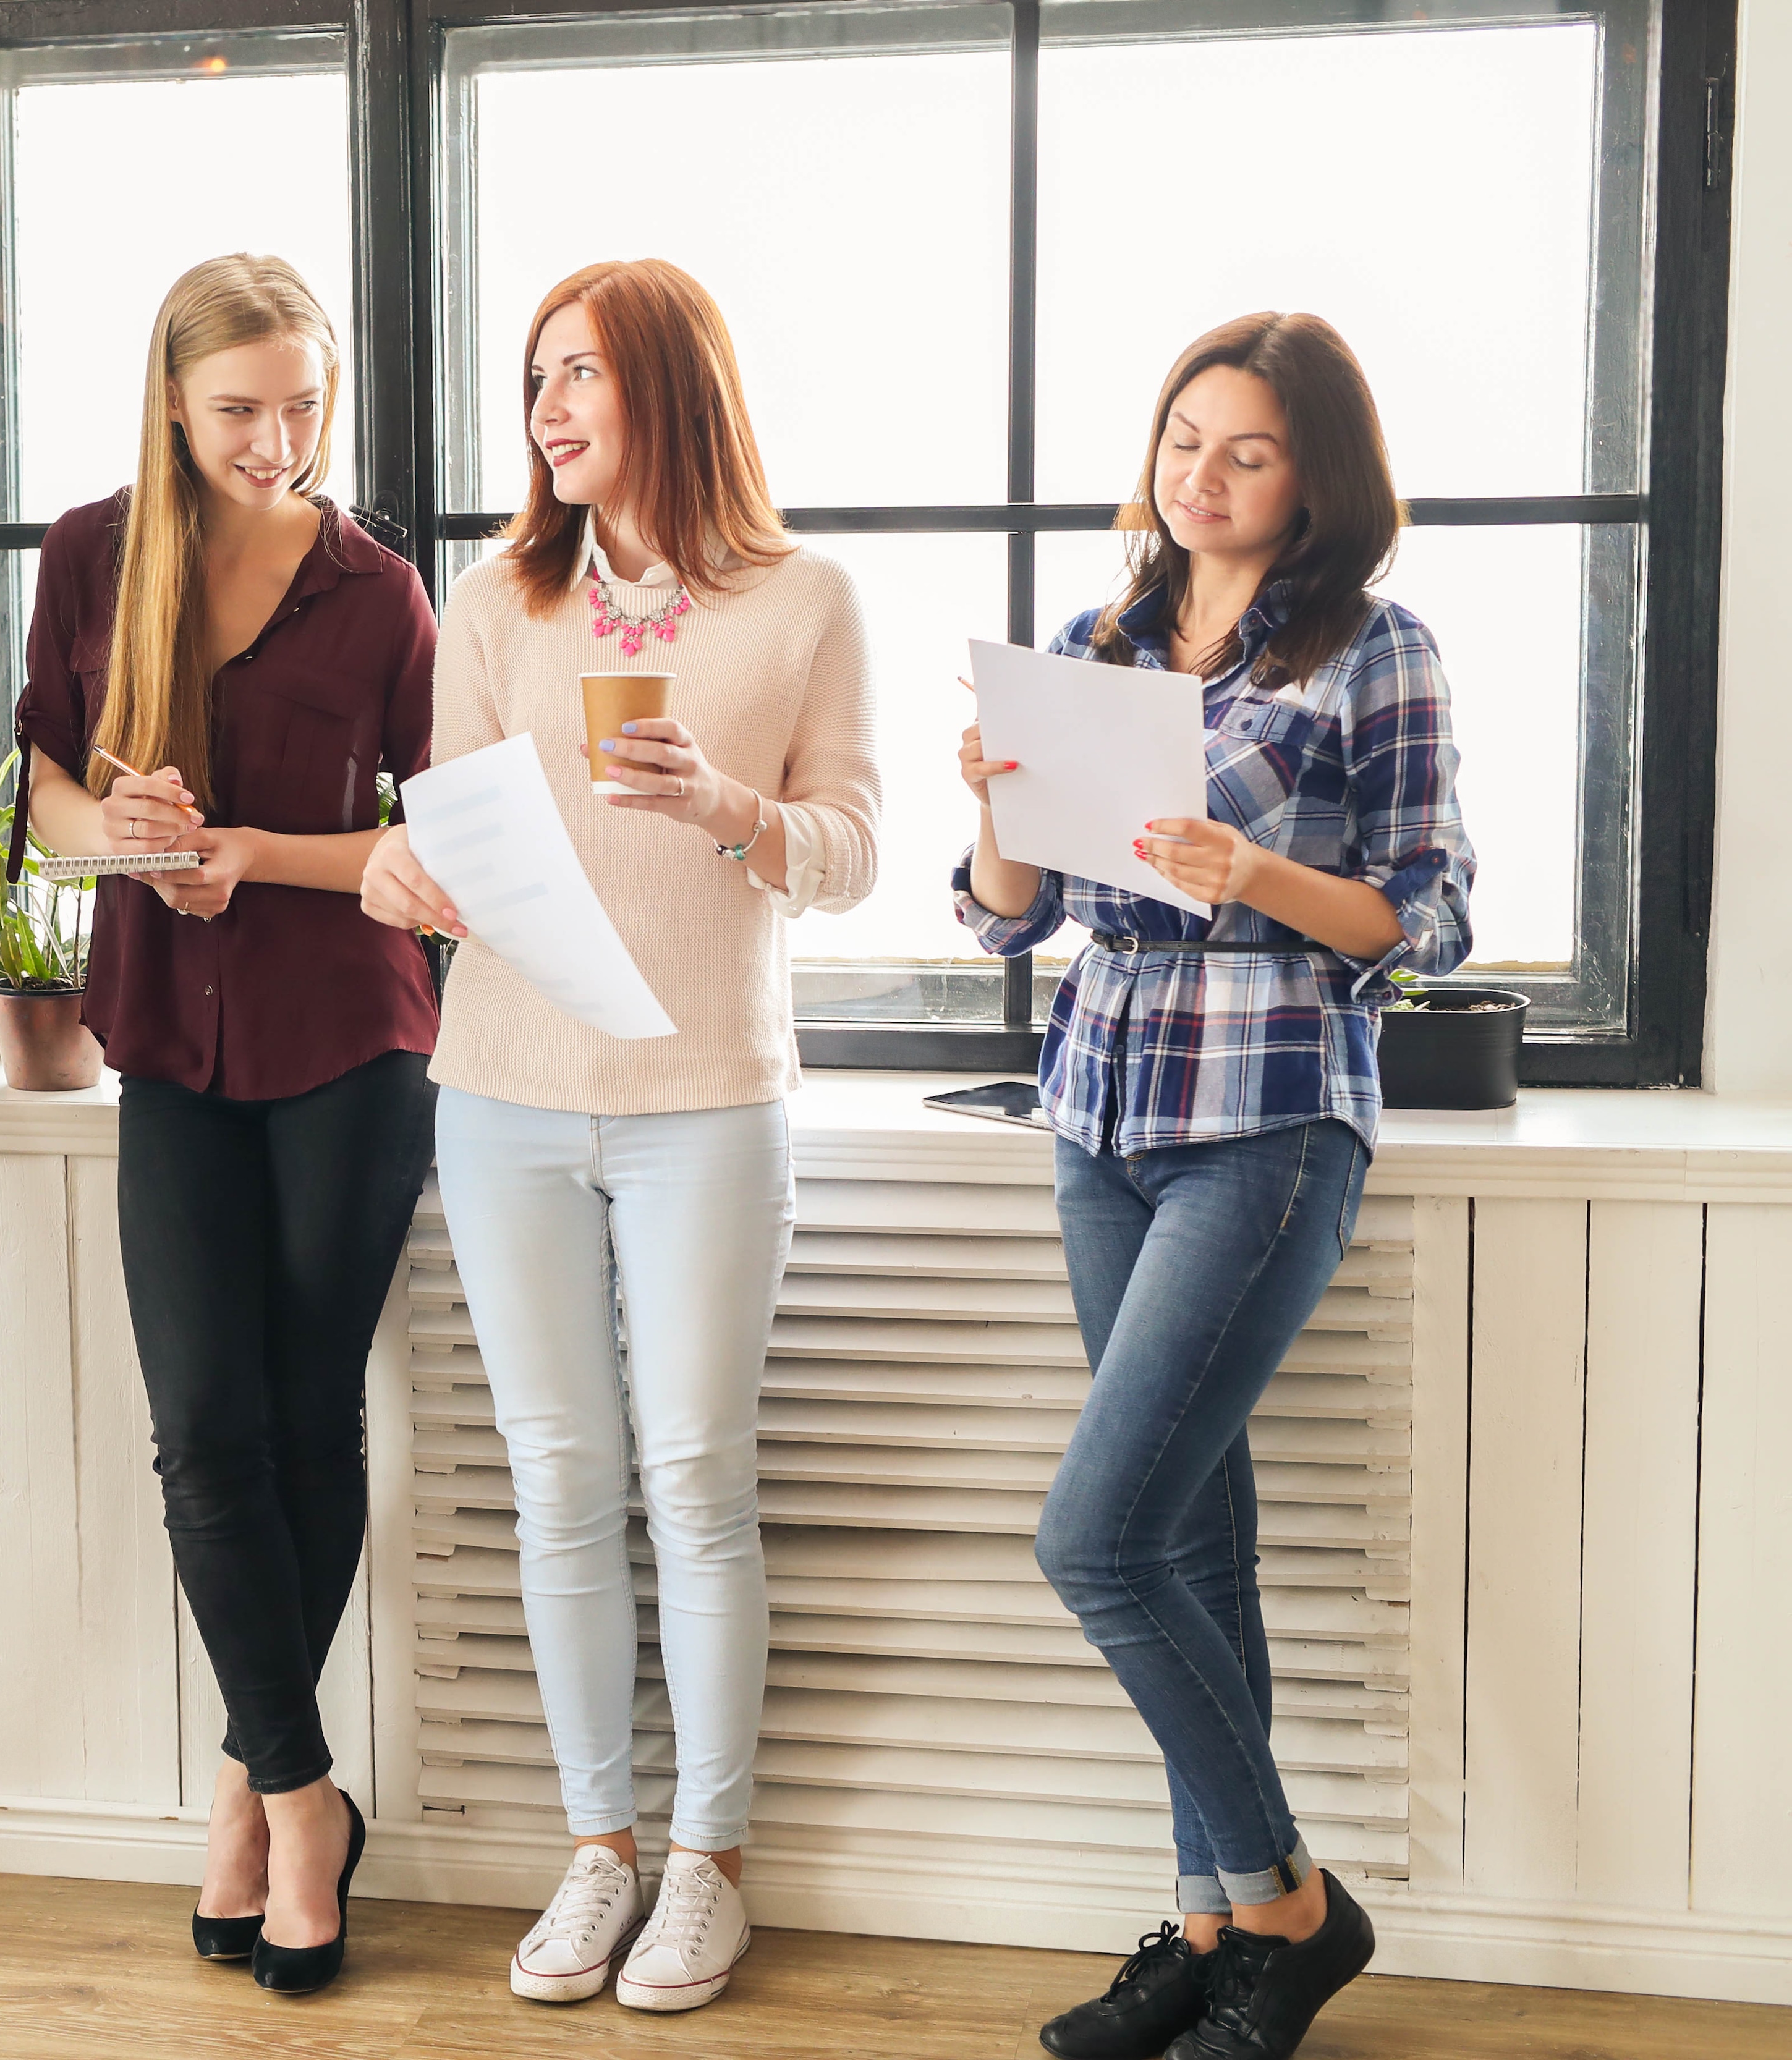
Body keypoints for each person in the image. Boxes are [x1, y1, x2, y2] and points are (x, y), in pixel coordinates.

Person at [361, 258, 881, 2014]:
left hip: (707, 1102)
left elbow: (855, 846)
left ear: (669, 384)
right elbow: (451, 832)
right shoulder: (500, 601)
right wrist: (408, 871)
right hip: (501, 1089)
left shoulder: (801, 600)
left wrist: (730, 810)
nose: (548, 412)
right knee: (560, 1482)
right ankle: (599, 1851)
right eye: (536, 381)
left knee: (694, 1481)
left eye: (579, 375)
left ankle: (707, 1867)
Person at [953, 312, 1474, 2060]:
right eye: (1187, 438)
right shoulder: (1095, 647)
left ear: (1315, 476)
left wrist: (1258, 870)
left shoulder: (1375, 651)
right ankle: (1209, 1926)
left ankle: (1293, 1909)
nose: (1205, 474)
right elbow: (1006, 916)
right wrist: (999, 807)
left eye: (1246, 450)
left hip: (1266, 1118)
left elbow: (1429, 912)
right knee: (1189, 1538)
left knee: (1094, 1538)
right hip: (1098, 1109)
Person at [12, 253, 439, 1997]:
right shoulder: (92, 554)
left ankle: (252, 1796)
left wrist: (247, 855)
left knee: (302, 1415)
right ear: (173, 406)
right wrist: (121, 835)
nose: (280, 442)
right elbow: (38, 788)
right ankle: (302, 1783)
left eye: (305, 406)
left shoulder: (384, 593)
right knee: (204, 1429)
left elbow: (431, 856)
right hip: (167, 1045)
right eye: (241, 410)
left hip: (349, 1039)